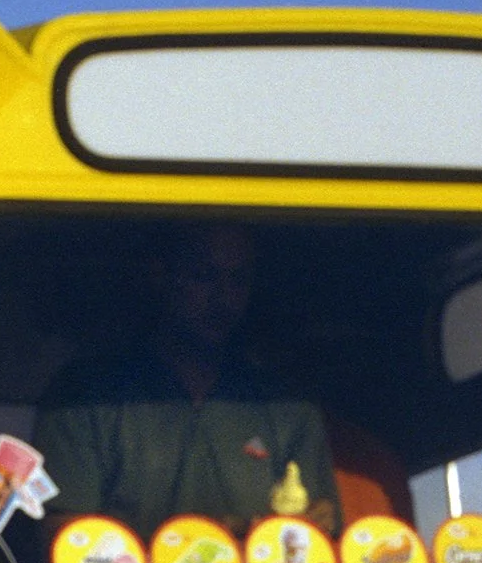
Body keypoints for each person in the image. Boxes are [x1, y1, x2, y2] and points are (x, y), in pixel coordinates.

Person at [32, 224, 339, 540]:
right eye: (204, 276)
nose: (223, 298)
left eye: (238, 281)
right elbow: (64, 536)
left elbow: (318, 533)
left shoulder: (285, 404)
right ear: (161, 275)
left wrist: (309, 526)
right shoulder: (87, 396)